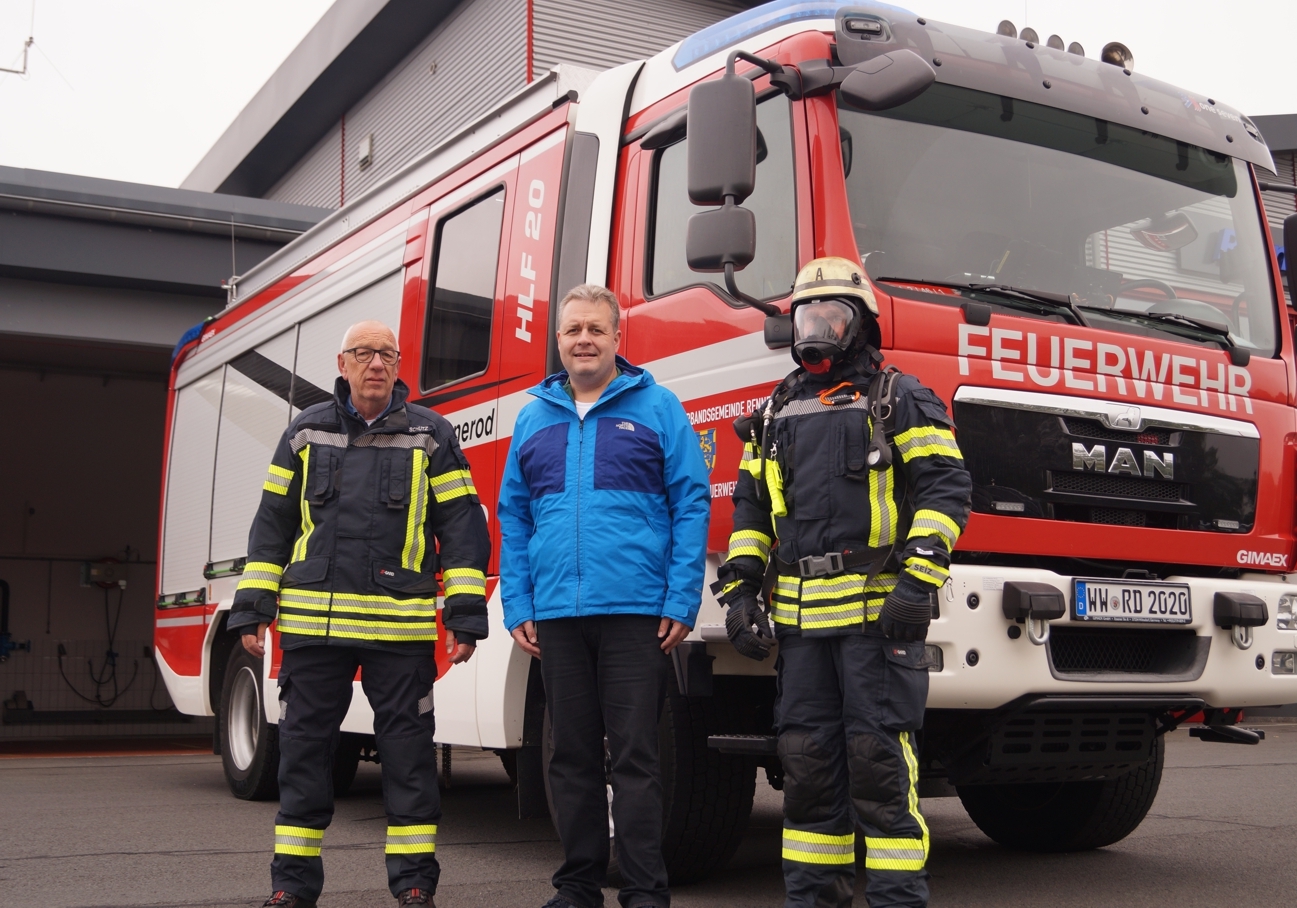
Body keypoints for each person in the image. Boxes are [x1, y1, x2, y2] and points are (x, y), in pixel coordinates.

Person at [713, 258, 972, 908]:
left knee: (879, 768)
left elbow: (947, 489)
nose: (818, 327)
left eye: (834, 315)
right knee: (805, 771)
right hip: (802, 636)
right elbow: (752, 504)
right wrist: (741, 590)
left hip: (878, 626)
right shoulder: (778, 408)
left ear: (861, 327)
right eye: (807, 315)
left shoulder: (899, 396)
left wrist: (919, 582)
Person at [226, 320, 491, 908]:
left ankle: (415, 885)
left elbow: (464, 530)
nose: (376, 363)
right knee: (304, 760)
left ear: (399, 367)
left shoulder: (432, 436)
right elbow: (272, 526)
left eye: (387, 354)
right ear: (342, 364)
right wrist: (253, 608)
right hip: (313, 632)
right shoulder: (304, 431)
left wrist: (466, 614)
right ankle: (291, 889)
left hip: (399, 635)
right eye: (364, 353)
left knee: (410, 762)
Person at [498, 284, 711, 908]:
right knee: (570, 756)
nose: (584, 339)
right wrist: (519, 604)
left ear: (619, 339)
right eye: (572, 330)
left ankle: (645, 890)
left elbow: (691, 503)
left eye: (596, 328)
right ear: (559, 341)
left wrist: (679, 599)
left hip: (634, 613)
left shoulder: (658, 407)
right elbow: (514, 516)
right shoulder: (534, 416)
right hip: (558, 615)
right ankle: (578, 885)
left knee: (637, 756)